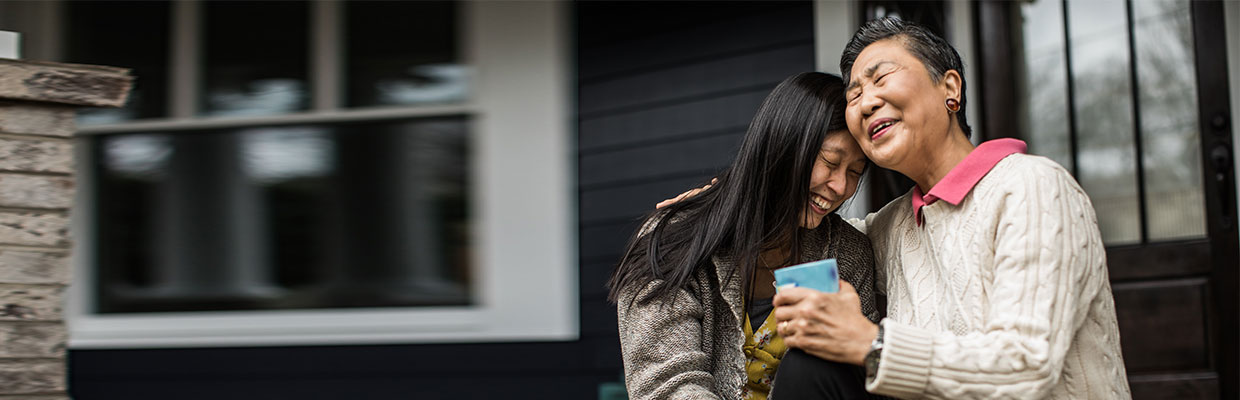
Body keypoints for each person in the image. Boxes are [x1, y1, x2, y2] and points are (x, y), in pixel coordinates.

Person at [661, 17, 1133, 400]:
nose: (866, 101)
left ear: (950, 87)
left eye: (880, 77)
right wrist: (722, 202)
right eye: (853, 94)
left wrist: (871, 343)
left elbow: (1028, 367)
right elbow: (796, 212)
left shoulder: (1031, 187)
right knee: (811, 367)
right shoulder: (892, 227)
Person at [608, 72, 883, 400]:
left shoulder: (845, 254)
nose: (841, 187)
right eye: (829, 162)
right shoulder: (675, 241)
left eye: (855, 172)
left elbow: (857, 378)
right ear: (781, 147)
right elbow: (667, 385)